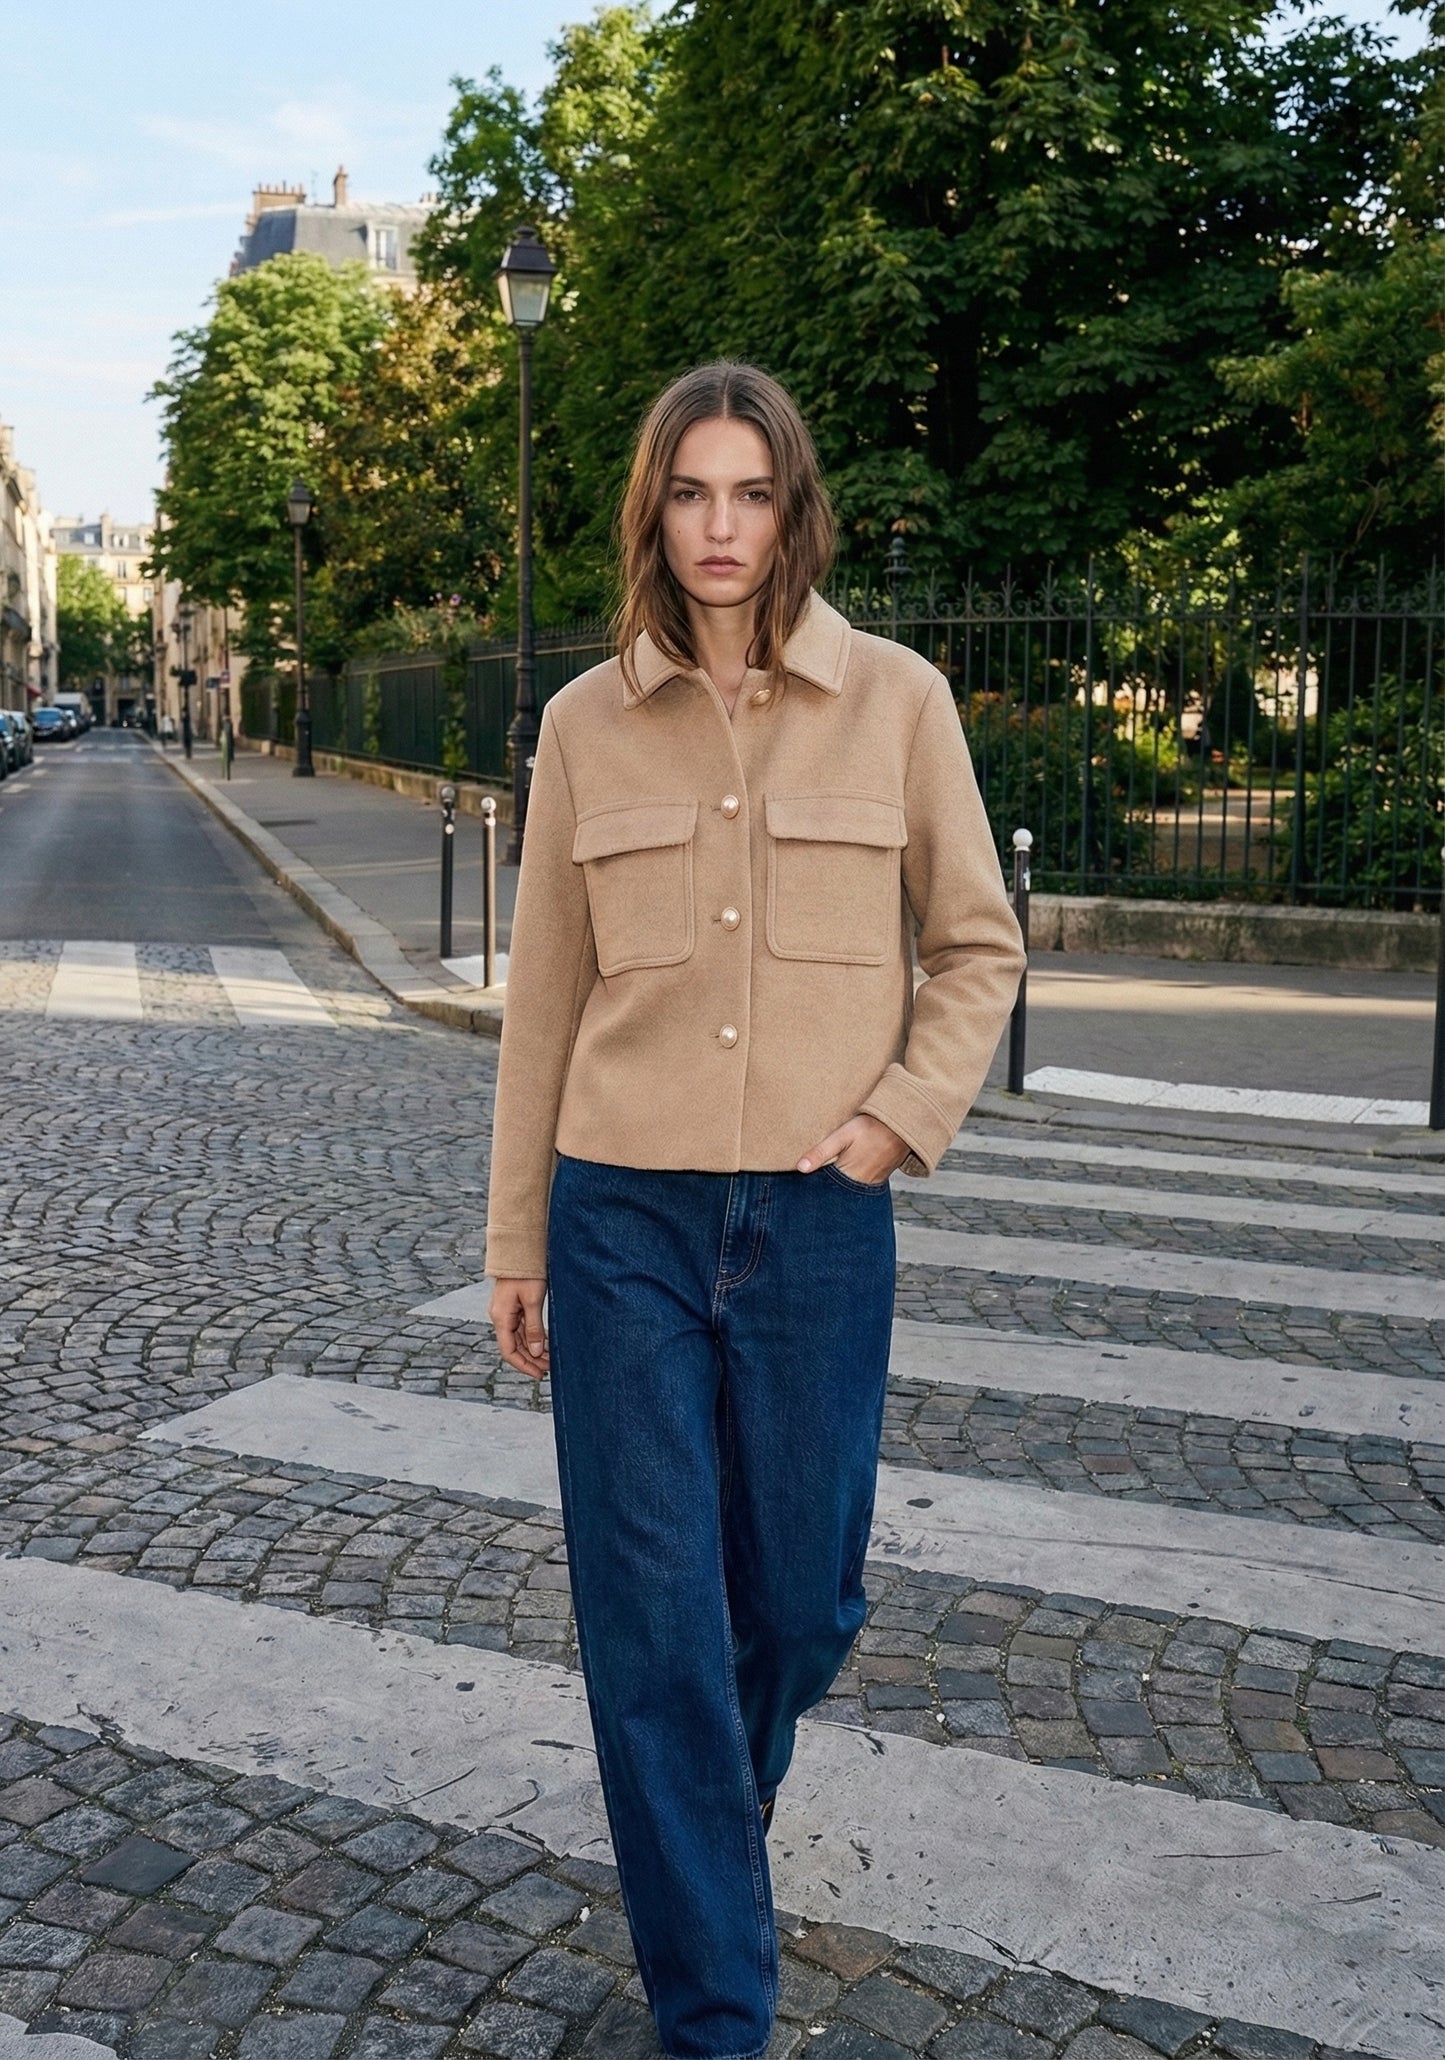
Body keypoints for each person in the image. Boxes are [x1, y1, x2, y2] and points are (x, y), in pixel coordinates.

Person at [486, 361, 1025, 2060]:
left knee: (798, 1604)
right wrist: (516, 1241)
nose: (720, 529)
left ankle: (704, 1830)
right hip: (620, 1218)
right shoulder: (582, 725)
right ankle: (713, 2004)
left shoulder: (899, 701)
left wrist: (888, 1125)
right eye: (690, 494)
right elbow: (542, 1004)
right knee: (650, 1617)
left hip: (814, 1220)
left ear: (792, 511)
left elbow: (976, 945)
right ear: (652, 512)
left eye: (751, 494)